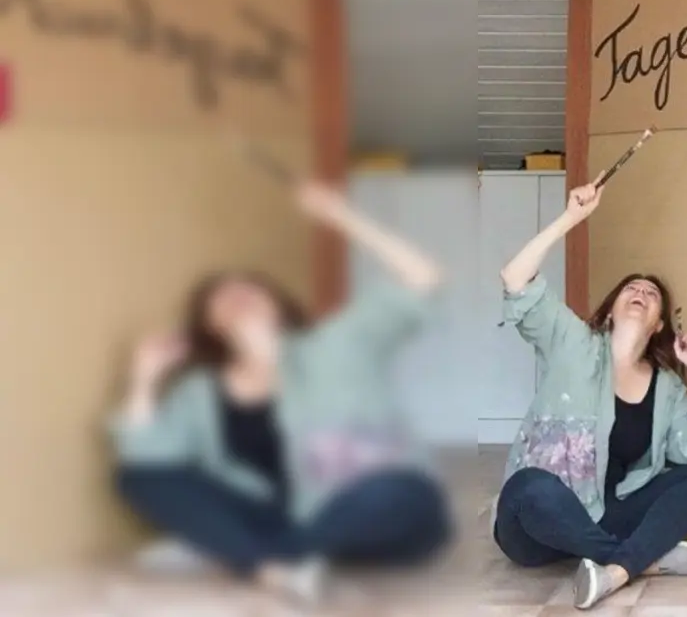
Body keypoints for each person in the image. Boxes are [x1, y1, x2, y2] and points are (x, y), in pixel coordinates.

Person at [111, 180, 452, 607]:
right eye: (222, 298)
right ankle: (275, 560)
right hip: (276, 514)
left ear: (277, 304)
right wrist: (142, 379)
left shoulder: (336, 344)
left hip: (374, 514)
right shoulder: (200, 391)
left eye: (250, 290)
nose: (238, 297)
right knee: (137, 479)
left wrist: (340, 215)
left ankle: (248, 552)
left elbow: (424, 278)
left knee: (398, 490)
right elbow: (147, 459)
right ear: (211, 325)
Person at [494, 180, 687, 611]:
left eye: (651, 294)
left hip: (606, 513)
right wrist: (571, 218)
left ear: (659, 323)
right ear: (611, 306)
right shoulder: (574, 343)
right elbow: (515, 278)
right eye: (631, 289)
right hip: (536, 528)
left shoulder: (667, 386)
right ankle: (641, 560)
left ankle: (614, 572)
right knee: (528, 487)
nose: (640, 294)